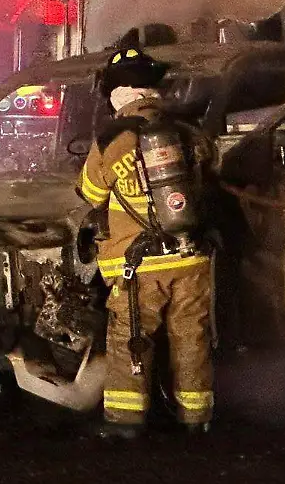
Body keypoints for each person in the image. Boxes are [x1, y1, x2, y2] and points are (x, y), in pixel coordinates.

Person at [78, 48, 213, 439]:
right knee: (192, 337)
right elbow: (212, 171)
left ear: (120, 93)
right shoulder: (187, 130)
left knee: (130, 339)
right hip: (191, 255)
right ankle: (196, 419)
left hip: (137, 265)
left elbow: (90, 192)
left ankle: (125, 423)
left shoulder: (112, 138)